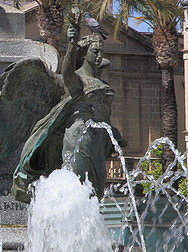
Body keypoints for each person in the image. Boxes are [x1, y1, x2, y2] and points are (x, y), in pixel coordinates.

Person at [12, 10, 125, 201]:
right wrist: (72, 42)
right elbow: (66, 71)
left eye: (100, 53)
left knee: (96, 191)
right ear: (84, 53)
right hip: (79, 135)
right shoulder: (76, 80)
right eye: (95, 52)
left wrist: (112, 136)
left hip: (99, 138)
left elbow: (106, 112)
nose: (98, 57)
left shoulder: (102, 84)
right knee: (78, 185)